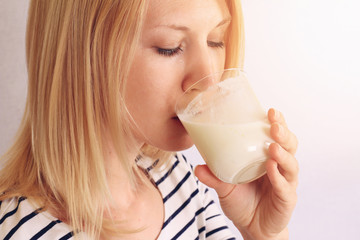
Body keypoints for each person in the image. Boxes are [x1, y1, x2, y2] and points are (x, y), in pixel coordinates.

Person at [0, 0, 299, 239]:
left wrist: (261, 232)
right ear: (82, 57)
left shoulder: (176, 176)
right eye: (169, 47)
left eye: (215, 40)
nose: (208, 82)